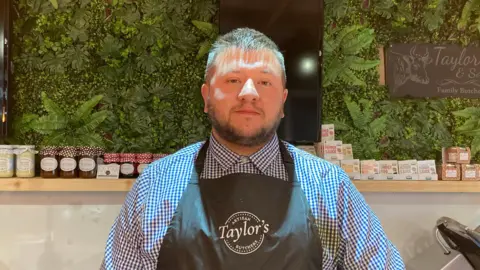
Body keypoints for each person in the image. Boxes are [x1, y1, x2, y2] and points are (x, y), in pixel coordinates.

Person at [100, 27, 405, 270]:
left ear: (283, 101)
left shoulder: (330, 187)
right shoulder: (155, 185)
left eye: (264, 82)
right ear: (206, 96)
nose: (249, 94)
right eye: (233, 80)